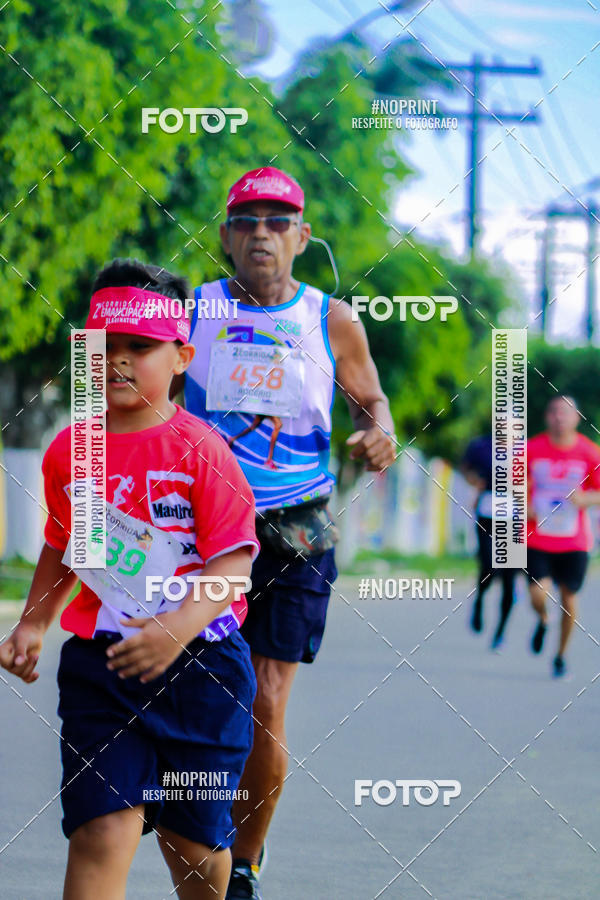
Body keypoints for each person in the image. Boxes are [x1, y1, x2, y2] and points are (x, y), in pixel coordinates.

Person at [0, 259, 261, 900]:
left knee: (193, 845)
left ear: (180, 357)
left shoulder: (203, 449)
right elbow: (67, 543)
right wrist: (34, 621)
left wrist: (173, 632)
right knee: (99, 831)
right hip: (104, 670)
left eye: (138, 348)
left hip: (203, 672)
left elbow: (234, 565)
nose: (117, 361)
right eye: (104, 347)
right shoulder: (70, 449)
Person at [179, 166, 396, 899]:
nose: (262, 234)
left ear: (303, 237)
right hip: (199, 529)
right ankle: (182, 831)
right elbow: (131, 381)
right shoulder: (192, 310)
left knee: (266, 700)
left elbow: (371, 401)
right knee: (195, 695)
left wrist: (382, 432)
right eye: (247, 221)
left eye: (278, 222)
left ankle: (243, 863)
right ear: (226, 237)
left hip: (298, 528)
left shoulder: (331, 319)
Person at [527, 395, 600, 677]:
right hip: (537, 536)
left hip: (574, 539)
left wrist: (587, 499)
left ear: (577, 419)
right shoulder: (531, 449)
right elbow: (509, 483)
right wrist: (525, 503)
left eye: (566, 413)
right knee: (538, 593)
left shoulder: (590, 453)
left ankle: (560, 654)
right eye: (554, 412)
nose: (560, 417)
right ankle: (544, 618)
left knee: (569, 598)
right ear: (547, 417)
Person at [461, 434, 518, 649]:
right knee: (489, 566)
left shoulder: (526, 450)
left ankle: (501, 631)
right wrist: (473, 481)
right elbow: (466, 468)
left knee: (509, 577)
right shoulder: (481, 446)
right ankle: (480, 600)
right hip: (487, 511)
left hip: (514, 517)